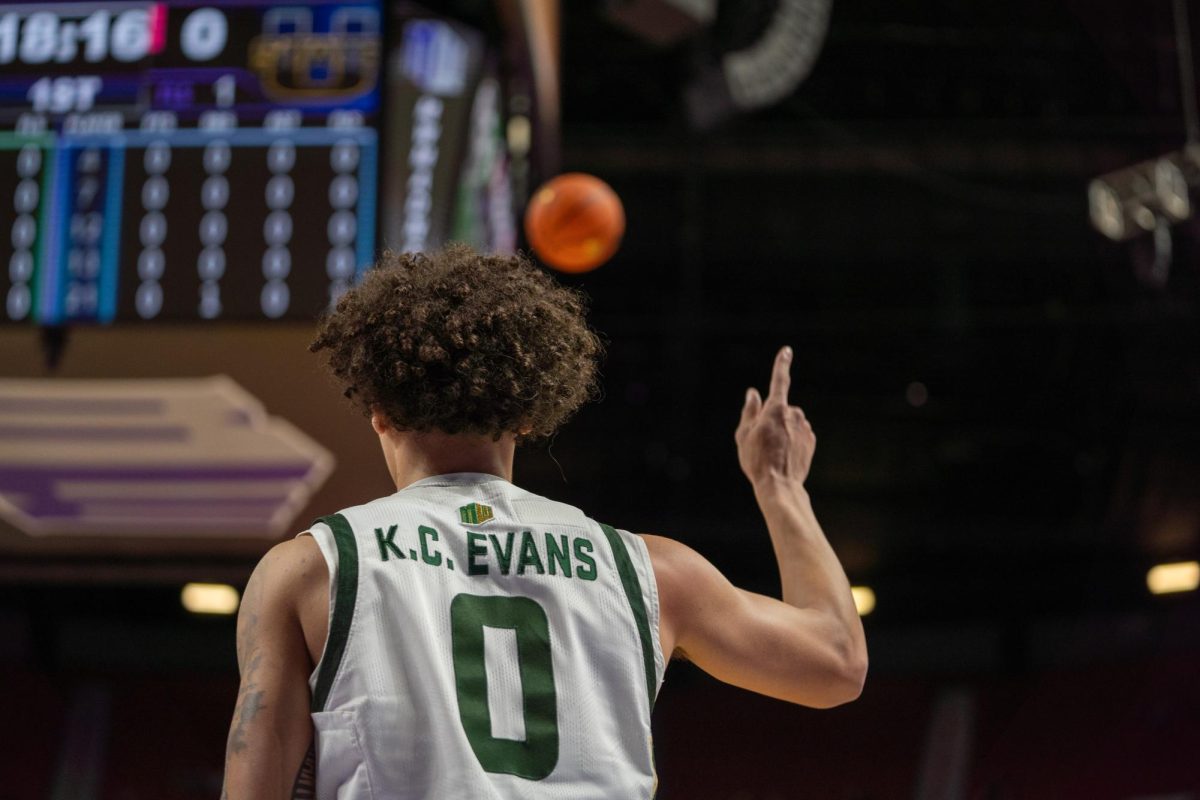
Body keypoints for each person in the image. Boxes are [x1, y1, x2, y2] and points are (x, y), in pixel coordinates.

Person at [221, 245, 867, 800]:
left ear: (379, 412)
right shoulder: (649, 569)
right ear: (529, 414)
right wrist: (782, 491)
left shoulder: (310, 569)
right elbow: (837, 662)